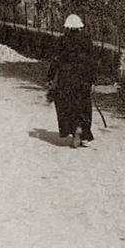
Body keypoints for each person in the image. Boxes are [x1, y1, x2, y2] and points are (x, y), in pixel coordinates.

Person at [46, 14, 96, 148]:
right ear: (80, 27)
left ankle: (73, 130)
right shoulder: (87, 41)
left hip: (66, 77)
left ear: (67, 27)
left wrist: (50, 77)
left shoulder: (62, 41)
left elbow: (55, 60)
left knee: (66, 105)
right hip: (83, 78)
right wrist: (93, 81)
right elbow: (92, 62)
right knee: (83, 105)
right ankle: (82, 130)